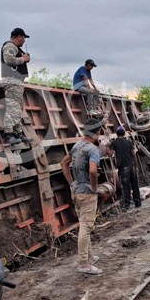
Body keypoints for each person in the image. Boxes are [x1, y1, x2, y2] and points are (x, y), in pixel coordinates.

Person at [61, 118, 105, 275]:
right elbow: (93, 171)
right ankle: (83, 263)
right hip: (87, 193)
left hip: (76, 191)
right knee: (86, 227)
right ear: (97, 132)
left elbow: (63, 163)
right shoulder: (93, 150)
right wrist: (94, 187)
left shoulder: (77, 146)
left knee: (84, 223)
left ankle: (89, 256)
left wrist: (71, 183)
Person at [0, 28, 33, 145]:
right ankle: (8, 135)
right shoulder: (10, 46)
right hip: (12, 80)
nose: (24, 41)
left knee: (17, 109)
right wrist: (23, 59)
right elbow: (8, 60)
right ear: (19, 37)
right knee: (12, 108)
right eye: (23, 38)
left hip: (17, 81)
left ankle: (17, 133)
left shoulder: (16, 48)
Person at [111, 126, 141, 212]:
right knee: (135, 184)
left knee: (125, 186)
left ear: (117, 134)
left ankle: (126, 205)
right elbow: (134, 154)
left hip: (123, 167)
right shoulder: (129, 142)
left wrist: (107, 146)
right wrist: (136, 164)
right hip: (132, 166)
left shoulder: (114, 143)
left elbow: (110, 153)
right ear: (124, 133)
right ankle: (137, 203)